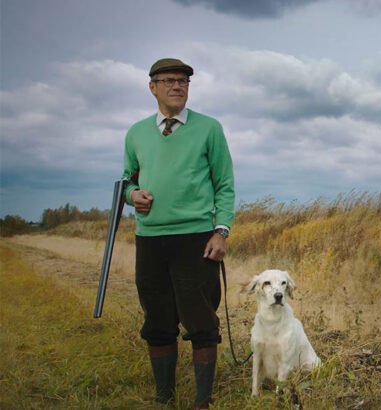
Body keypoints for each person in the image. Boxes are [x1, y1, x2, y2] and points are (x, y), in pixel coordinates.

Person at [121, 58, 235, 409]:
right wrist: (131, 195)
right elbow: (127, 179)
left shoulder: (209, 128)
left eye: (183, 81)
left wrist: (221, 231)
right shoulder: (136, 132)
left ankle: (202, 401)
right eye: (168, 80)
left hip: (196, 239)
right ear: (152, 87)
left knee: (201, 318)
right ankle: (164, 399)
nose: (177, 86)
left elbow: (225, 185)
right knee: (157, 318)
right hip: (151, 239)